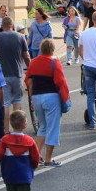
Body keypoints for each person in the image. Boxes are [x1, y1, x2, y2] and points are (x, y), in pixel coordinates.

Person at [25, 38, 70, 166]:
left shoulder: (33, 62)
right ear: (52, 50)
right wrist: (66, 98)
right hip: (51, 97)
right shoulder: (54, 63)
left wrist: (31, 98)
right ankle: (48, 159)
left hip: (36, 97)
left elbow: (29, 81)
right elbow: (60, 82)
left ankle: (36, 156)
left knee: (42, 127)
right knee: (53, 128)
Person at [0, 16, 31, 132]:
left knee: (5, 104)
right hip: (17, 73)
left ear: (1, 26)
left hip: (2, 75)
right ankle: (17, 129)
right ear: (13, 26)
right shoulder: (20, 37)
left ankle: (6, 130)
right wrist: (29, 67)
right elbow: (26, 56)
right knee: (17, 101)